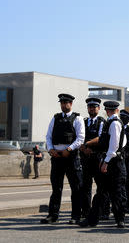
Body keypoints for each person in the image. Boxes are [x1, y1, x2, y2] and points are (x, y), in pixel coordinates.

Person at [41, 93, 84, 225]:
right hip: (57, 156)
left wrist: (69, 149)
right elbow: (48, 136)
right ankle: (53, 215)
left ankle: (76, 215)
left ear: (70, 104)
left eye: (65, 103)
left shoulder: (78, 118)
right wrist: (50, 149)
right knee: (56, 187)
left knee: (75, 188)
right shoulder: (55, 118)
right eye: (61, 103)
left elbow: (80, 138)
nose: (63, 105)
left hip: (71, 156)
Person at [83, 100, 127, 228]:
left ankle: (119, 219)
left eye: (109, 110)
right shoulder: (113, 122)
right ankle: (93, 219)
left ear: (107, 111)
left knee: (114, 192)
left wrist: (105, 162)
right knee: (104, 191)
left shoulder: (114, 124)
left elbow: (113, 146)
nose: (109, 112)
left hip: (113, 162)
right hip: (113, 160)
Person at [79, 97, 109, 222]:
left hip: (97, 157)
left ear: (99, 108)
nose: (92, 109)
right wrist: (83, 148)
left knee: (102, 186)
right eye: (90, 107)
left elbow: (100, 138)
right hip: (85, 158)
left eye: (94, 107)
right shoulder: (83, 122)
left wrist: (87, 144)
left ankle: (103, 211)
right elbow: (79, 137)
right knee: (85, 186)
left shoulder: (102, 122)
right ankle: (86, 211)